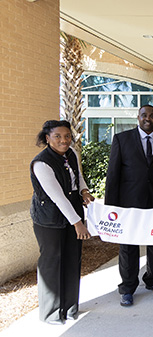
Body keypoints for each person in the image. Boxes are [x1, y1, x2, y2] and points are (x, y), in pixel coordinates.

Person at [105, 105, 153, 307]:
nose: (148, 119)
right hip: (129, 205)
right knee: (128, 247)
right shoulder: (122, 139)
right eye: (144, 115)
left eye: (152, 116)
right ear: (138, 117)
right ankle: (127, 287)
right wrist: (111, 208)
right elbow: (113, 175)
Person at [29, 120, 94, 324]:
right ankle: (51, 313)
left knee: (72, 259)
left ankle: (70, 307)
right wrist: (78, 224)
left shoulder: (71, 153)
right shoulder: (41, 163)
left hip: (72, 212)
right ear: (47, 139)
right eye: (57, 137)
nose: (64, 140)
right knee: (52, 261)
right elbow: (57, 197)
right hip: (49, 219)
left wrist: (84, 191)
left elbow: (78, 176)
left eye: (67, 136)